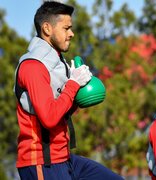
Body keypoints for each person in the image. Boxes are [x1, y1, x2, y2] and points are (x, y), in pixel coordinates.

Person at [14, 1, 123, 180]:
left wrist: (79, 91)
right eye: (66, 28)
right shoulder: (33, 66)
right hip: (42, 162)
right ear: (47, 29)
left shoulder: (57, 62)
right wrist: (72, 84)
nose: (71, 34)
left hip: (63, 157)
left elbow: (61, 112)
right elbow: (49, 118)